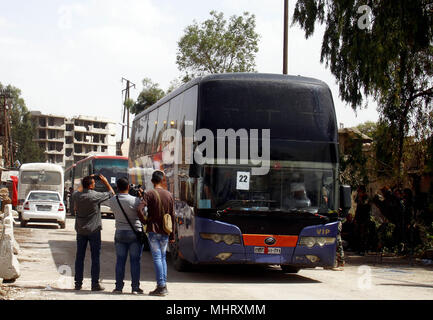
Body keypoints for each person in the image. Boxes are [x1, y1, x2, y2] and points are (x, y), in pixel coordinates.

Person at [72, 174, 114, 291]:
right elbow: (111, 193)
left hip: (81, 230)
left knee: (79, 257)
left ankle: (78, 283)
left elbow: (78, 189)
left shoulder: (77, 195)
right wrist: (105, 181)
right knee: (95, 257)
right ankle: (94, 284)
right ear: (91, 186)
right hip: (94, 230)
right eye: (93, 183)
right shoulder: (95, 196)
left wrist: (85, 180)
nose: (95, 184)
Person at [108, 177, 146, 294]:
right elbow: (144, 212)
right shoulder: (136, 200)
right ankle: (135, 288)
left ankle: (118, 287)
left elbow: (111, 196)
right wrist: (142, 196)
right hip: (134, 232)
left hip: (119, 232)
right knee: (135, 261)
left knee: (120, 261)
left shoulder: (113, 200)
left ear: (117, 187)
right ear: (128, 187)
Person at [139, 170, 175, 296]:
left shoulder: (149, 194)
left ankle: (161, 286)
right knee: (163, 257)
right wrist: (172, 235)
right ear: (162, 180)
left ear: (152, 181)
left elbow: (140, 209)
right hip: (165, 230)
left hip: (153, 230)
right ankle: (163, 284)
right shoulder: (169, 195)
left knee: (157, 258)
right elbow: (172, 215)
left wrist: (145, 220)